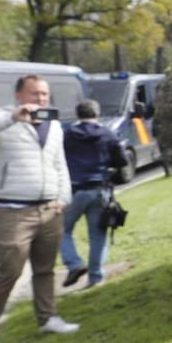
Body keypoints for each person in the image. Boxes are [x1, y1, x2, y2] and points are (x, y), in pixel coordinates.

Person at [0, 75, 78, 343]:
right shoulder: (2, 119)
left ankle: (48, 317)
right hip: (11, 211)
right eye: (34, 93)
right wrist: (12, 118)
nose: (41, 99)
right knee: (10, 271)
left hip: (48, 209)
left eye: (44, 94)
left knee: (45, 268)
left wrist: (62, 198)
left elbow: (59, 164)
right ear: (18, 95)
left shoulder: (53, 125)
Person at [60, 99, 128, 289]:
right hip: (99, 189)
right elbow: (122, 161)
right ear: (97, 114)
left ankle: (74, 264)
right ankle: (95, 277)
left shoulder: (67, 135)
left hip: (73, 190)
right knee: (97, 235)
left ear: (78, 115)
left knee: (60, 230)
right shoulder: (107, 133)